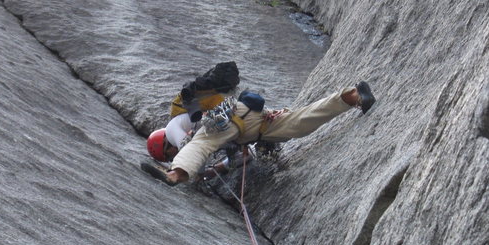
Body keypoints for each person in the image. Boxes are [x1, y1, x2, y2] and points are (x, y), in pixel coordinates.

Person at [144, 81, 375, 185]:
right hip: (257, 124)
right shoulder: (184, 126)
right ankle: (353, 96)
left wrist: (188, 171)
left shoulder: (175, 127)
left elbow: (194, 149)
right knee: (302, 122)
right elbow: (241, 157)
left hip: (227, 118)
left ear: (165, 144)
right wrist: (218, 169)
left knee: (201, 143)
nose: (173, 152)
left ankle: (174, 176)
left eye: (169, 155)